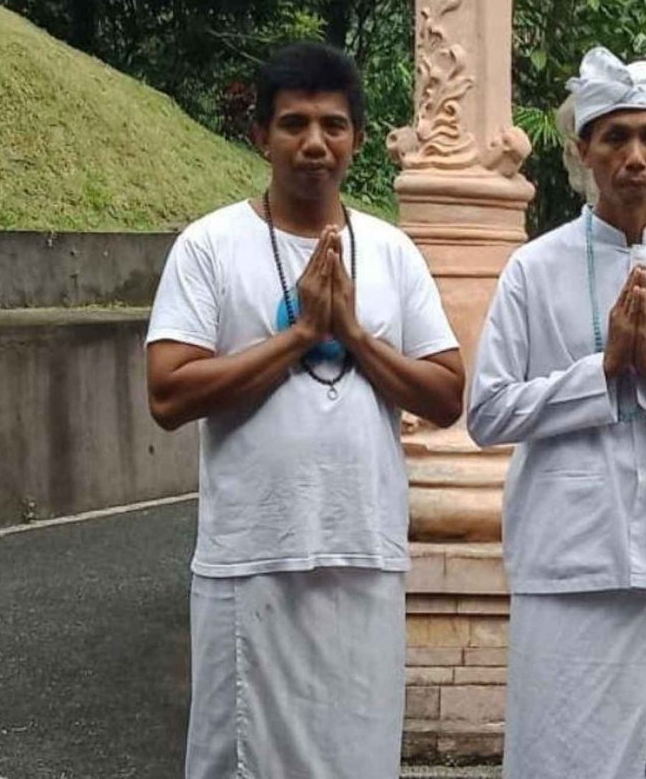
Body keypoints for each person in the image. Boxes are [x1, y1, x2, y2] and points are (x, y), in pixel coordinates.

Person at [145, 41, 465, 779]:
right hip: (252, 557)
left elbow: (446, 393)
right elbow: (167, 393)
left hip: (362, 551)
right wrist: (299, 337)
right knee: (244, 757)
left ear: (356, 135)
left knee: (358, 753)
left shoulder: (390, 251)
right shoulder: (210, 246)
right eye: (293, 124)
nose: (314, 143)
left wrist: (351, 334)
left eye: (332, 124)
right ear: (260, 135)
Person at [467, 46, 646, 779]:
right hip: (566, 563)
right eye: (615, 136)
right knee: (560, 757)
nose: (634, 155)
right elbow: (488, 410)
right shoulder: (534, 267)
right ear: (584, 151)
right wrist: (598, 374)